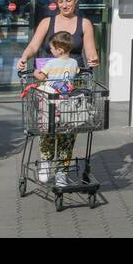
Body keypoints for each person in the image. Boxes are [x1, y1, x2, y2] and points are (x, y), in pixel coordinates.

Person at [16, 0, 100, 75]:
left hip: (74, 77)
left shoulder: (85, 24)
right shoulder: (46, 22)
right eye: (60, 2)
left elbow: (91, 52)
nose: (64, 5)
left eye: (68, 1)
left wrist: (93, 59)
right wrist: (24, 57)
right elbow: (33, 47)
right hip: (48, 77)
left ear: (76, 0)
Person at [33, 31, 80, 188]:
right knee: (66, 140)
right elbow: (78, 74)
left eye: (52, 48)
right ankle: (61, 173)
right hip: (67, 108)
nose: (50, 51)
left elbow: (41, 76)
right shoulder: (73, 63)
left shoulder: (51, 63)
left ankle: (46, 165)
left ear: (59, 49)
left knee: (47, 135)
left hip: (50, 107)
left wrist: (35, 72)